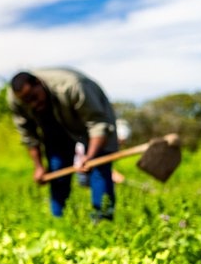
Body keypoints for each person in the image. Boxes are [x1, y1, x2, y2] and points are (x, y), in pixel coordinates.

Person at [7, 69, 118, 220]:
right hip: (55, 125)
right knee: (57, 168)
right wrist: (39, 167)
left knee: (99, 165)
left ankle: (102, 221)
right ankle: (59, 221)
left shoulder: (73, 86)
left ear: (39, 83)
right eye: (27, 101)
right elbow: (28, 135)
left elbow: (97, 125)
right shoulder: (15, 99)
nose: (32, 104)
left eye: (34, 97)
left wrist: (89, 157)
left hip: (91, 119)